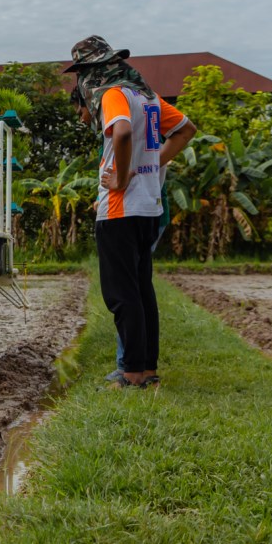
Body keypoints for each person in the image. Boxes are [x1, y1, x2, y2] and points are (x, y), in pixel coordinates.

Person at [66, 36, 196, 389]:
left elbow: (121, 132)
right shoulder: (147, 96)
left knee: (121, 294)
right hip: (148, 207)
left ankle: (132, 374)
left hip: (121, 210)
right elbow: (186, 131)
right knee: (141, 291)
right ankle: (146, 369)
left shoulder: (113, 94)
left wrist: (121, 179)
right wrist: (149, 166)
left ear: (90, 73)